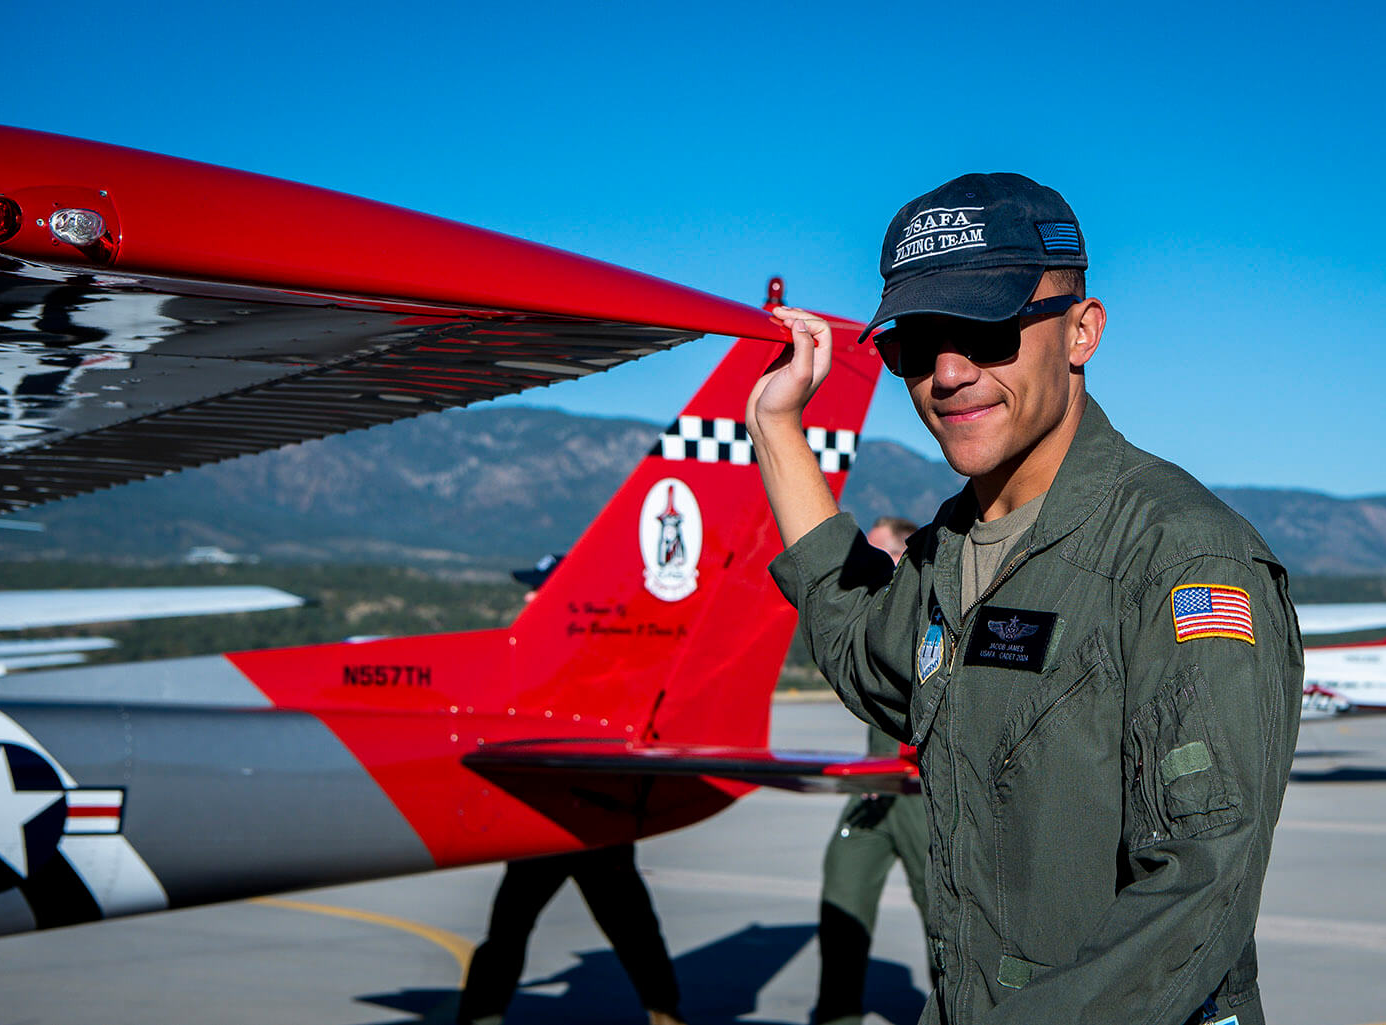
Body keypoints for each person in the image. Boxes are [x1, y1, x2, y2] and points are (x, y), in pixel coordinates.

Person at [746, 173, 1302, 1025]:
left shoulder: (1180, 554)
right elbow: (863, 652)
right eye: (917, 341)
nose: (949, 372)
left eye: (990, 329)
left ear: (1082, 332)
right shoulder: (951, 549)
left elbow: (1201, 884)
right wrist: (778, 432)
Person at [815, 515, 931, 1025]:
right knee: (841, 905)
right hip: (872, 792)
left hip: (922, 797)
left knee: (947, 925)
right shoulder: (872, 621)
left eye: (879, 555)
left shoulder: (931, 613)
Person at [457, 843, 686, 1025]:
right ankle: (481, 1017)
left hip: (585, 824)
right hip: (566, 825)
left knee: (635, 930)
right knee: (507, 933)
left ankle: (665, 1013)